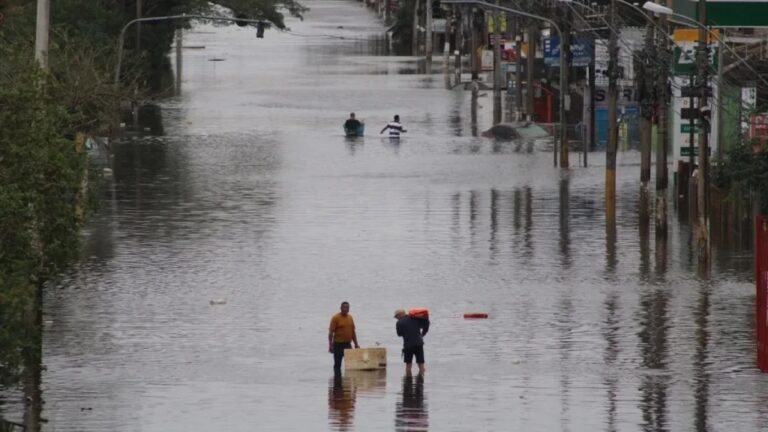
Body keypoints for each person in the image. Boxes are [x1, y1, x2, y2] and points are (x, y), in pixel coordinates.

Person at [394, 309, 429, 375]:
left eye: (396, 316)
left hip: (408, 346)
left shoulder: (399, 323)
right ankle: (421, 381)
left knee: (408, 364)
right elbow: (426, 325)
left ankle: (408, 382)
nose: (396, 318)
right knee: (421, 364)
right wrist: (423, 334)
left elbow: (399, 334)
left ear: (400, 314)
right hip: (419, 344)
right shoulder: (416, 319)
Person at [329, 301, 360, 372]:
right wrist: (330, 345)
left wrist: (356, 344)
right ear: (341, 308)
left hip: (347, 344)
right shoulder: (335, 318)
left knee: (352, 363)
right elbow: (331, 333)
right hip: (338, 345)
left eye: (347, 307)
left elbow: (353, 332)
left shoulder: (350, 318)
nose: (346, 309)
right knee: (337, 365)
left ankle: (348, 382)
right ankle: (337, 381)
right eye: (344, 307)